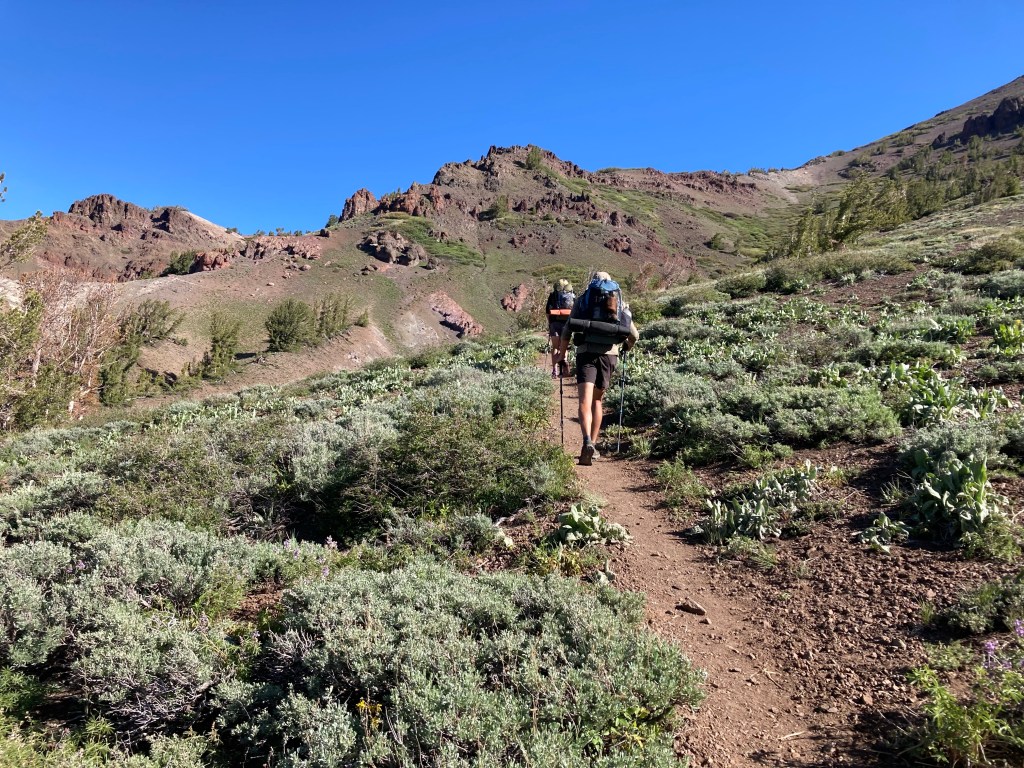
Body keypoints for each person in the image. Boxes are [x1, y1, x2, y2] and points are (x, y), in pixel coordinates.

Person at [557, 272, 639, 465]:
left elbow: (567, 330)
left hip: (586, 353)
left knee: (584, 401)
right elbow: (634, 335)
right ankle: (593, 445)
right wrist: (626, 347)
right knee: (597, 401)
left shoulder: (582, 300)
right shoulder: (620, 303)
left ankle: (586, 441)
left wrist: (562, 356)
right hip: (609, 356)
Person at [545, 278, 575, 377]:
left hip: (554, 323)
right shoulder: (572, 295)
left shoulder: (553, 295)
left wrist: (550, 323)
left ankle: (554, 370)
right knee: (564, 346)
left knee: (555, 347)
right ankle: (564, 369)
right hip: (567, 324)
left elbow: (547, 312)